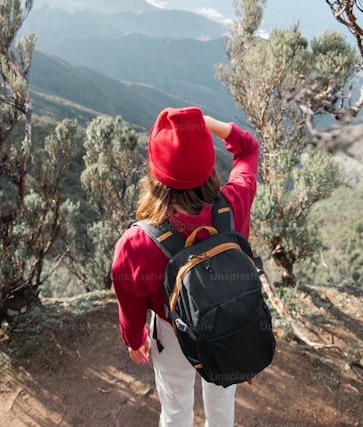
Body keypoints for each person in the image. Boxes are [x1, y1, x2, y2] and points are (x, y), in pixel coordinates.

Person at [111, 106, 259, 427]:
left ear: (155, 177)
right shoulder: (234, 203)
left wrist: (135, 338)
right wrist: (207, 126)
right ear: (210, 168)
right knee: (221, 402)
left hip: (173, 333)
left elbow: (130, 302)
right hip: (227, 326)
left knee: (175, 408)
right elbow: (248, 147)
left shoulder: (136, 243)